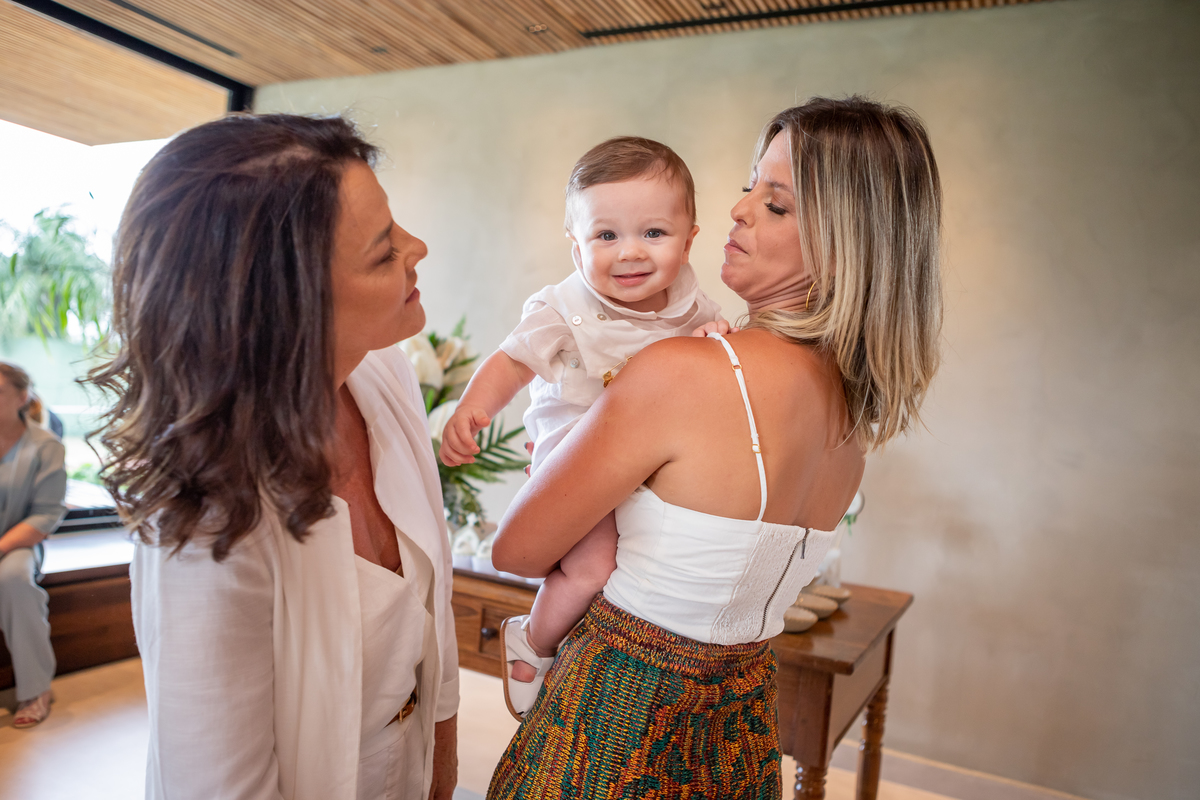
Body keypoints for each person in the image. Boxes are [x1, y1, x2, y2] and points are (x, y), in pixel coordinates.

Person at [487, 96, 943, 799]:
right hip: (743, 739)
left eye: (777, 204)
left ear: (844, 244)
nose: (739, 210)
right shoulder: (852, 413)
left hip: (610, 734)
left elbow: (516, 552)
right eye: (749, 187)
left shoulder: (682, 372)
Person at [88, 114, 459, 799]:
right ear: (286, 306)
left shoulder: (385, 373)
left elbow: (432, 614)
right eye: (383, 252)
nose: (418, 247)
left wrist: (442, 766)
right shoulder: (205, 522)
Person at [439, 136, 725, 717]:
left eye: (654, 233)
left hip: (650, 469)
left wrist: (713, 344)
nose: (630, 253)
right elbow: (511, 362)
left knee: (647, 572)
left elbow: (712, 372)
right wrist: (472, 409)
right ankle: (533, 640)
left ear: (689, 239)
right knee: (592, 569)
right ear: (576, 247)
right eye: (605, 236)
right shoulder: (562, 310)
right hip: (576, 465)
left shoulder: (695, 310)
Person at [0, 362, 67, 729]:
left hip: (18, 543)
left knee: (14, 580)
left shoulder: (46, 446)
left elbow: (45, 515)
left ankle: (35, 690)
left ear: (22, 397)